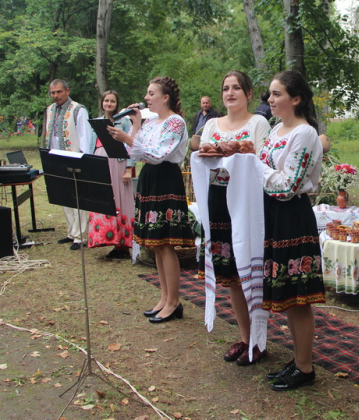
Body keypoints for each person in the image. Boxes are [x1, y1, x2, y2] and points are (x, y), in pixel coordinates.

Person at [196, 71, 271, 366]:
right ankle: (244, 336)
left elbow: (263, 163)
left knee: (249, 273)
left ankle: (260, 340)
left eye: (237, 88)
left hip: (247, 202)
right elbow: (204, 158)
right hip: (218, 200)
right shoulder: (212, 125)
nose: (230, 93)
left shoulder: (258, 123)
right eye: (226, 88)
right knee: (230, 275)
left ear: (249, 93)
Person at [256, 71, 325, 391]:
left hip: (293, 215)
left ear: (295, 99)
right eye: (269, 94)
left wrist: (253, 164)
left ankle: (305, 367)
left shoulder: (305, 133)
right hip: (274, 216)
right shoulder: (274, 130)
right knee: (287, 293)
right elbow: (267, 171)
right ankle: (298, 358)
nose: (269, 99)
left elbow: (287, 186)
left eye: (276, 94)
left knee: (299, 298)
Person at [109, 76, 194, 324]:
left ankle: (174, 301)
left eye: (151, 93)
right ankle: (164, 297)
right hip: (150, 178)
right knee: (155, 242)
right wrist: (134, 126)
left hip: (166, 178)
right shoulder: (151, 122)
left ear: (165, 97)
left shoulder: (175, 123)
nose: (146, 98)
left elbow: (158, 154)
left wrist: (127, 138)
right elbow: (135, 152)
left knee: (165, 241)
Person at [42, 79, 91, 250]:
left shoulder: (78, 109)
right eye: (53, 92)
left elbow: (84, 136)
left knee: (78, 197)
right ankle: (72, 232)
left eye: (59, 92)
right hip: (57, 158)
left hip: (74, 158)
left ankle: (82, 235)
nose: (56, 96)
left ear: (67, 91)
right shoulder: (50, 110)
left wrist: (84, 160)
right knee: (65, 196)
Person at [87, 90, 135, 259]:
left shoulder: (123, 121)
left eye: (112, 101)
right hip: (101, 162)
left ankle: (123, 244)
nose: (109, 104)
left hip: (117, 163)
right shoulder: (96, 122)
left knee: (119, 199)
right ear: (102, 102)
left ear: (117, 104)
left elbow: (131, 145)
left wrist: (129, 168)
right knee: (104, 199)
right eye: (106, 101)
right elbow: (91, 145)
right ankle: (107, 238)